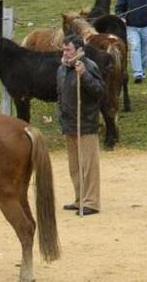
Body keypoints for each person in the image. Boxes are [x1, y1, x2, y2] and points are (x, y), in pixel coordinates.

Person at [58, 35, 105, 216]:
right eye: (64, 50)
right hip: (69, 124)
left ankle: (91, 201)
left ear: (78, 50)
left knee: (88, 165)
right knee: (74, 166)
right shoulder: (62, 69)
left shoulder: (89, 66)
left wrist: (84, 75)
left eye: (68, 49)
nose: (65, 53)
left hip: (85, 123)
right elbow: (60, 95)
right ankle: (79, 199)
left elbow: (99, 91)